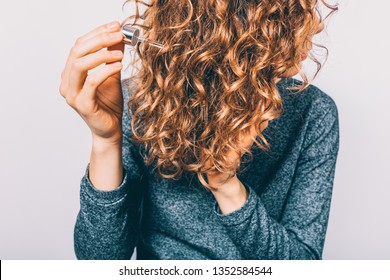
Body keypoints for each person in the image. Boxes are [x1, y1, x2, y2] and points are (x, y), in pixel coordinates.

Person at [59, 0, 339, 259]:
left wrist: (225, 184)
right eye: (291, 12)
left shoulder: (314, 113)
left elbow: (302, 263)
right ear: (233, 26)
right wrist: (106, 140)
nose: (317, 24)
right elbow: (99, 259)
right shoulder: (137, 102)